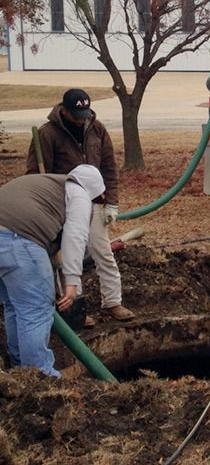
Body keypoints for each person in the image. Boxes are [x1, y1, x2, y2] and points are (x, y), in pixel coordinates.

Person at [26, 88, 134, 323]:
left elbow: (109, 168)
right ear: (64, 111)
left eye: (85, 113)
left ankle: (112, 302)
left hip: (95, 200)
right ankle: (75, 310)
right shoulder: (47, 134)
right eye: (77, 115)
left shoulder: (97, 129)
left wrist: (111, 202)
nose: (82, 119)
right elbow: (34, 174)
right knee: (65, 256)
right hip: (62, 204)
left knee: (103, 252)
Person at [0, 165, 105, 377]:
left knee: (15, 306)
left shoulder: (46, 184)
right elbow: (75, 236)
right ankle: (40, 376)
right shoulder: (80, 194)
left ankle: (19, 370)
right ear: (94, 191)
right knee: (34, 309)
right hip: (18, 241)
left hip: (8, 239)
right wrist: (72, 282)